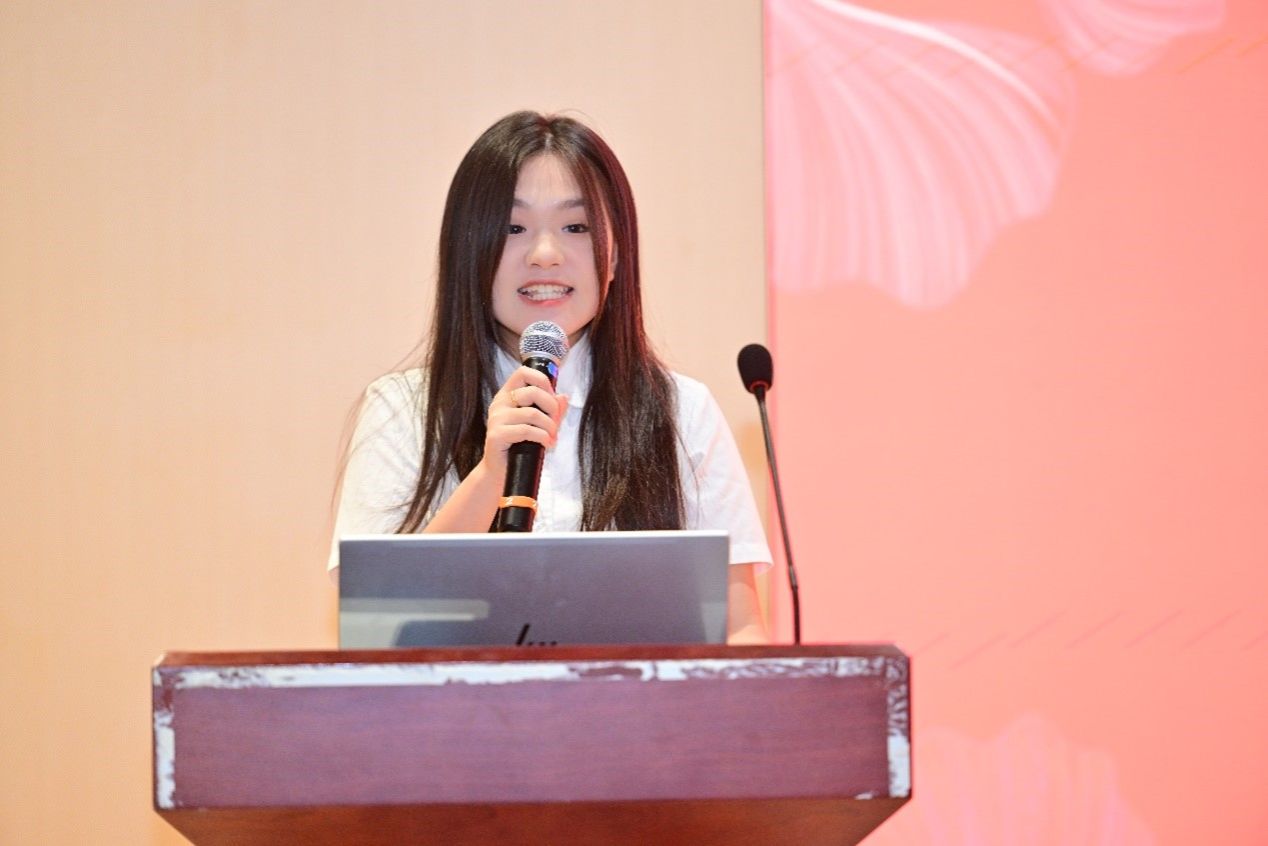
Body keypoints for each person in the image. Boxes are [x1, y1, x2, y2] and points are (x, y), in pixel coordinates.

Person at [330, 111, 770, 643]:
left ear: (615, 257)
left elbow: (740, 628)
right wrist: (490, 476)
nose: (545, 255)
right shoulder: (401, 410)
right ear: (468, 252)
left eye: (576, 227)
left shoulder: (681, 409)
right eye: (513, 228)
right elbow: (375, 631)